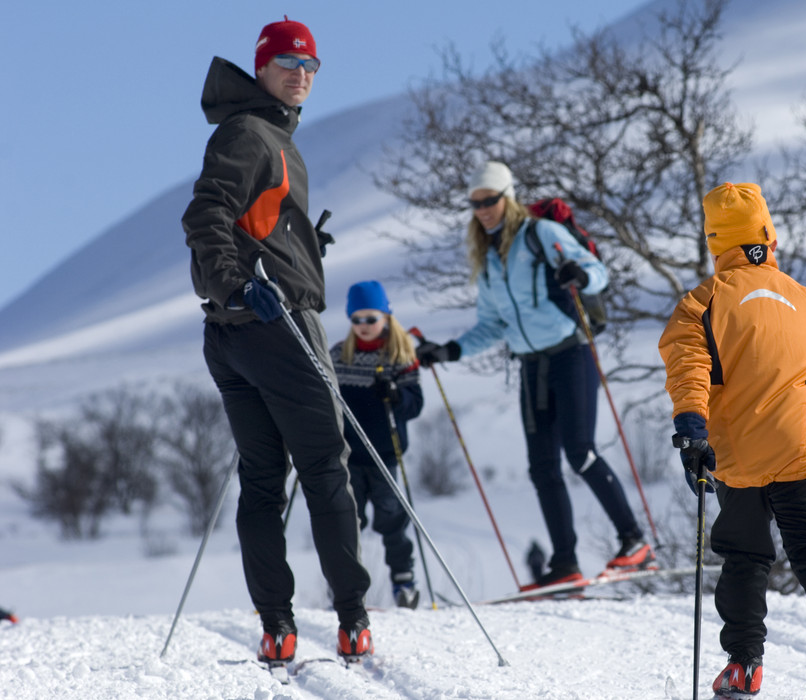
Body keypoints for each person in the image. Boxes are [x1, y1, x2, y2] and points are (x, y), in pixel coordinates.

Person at [181, 17, 373, 664]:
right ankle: (353, 619)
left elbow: (248, 220)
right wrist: (237, 285)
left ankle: (277, 627)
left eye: (310, 65)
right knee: (325, 468)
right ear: (260, 66)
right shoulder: (251, 133)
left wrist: (301, 245)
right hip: (275, 327)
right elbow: (206, 213)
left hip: (231, 334)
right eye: (288, 62)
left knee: (263, 479)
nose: (300, 74)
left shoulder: (267, 133)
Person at [658, 183, 806, 699]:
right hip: (802, 446)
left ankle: (743, 665)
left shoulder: (701, 303)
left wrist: (692, 431)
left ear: (715, 242)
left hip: (738, 454)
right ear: (768, 237)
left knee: (745, 554)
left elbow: (688, 370)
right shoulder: (801, 296)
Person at [414, 160, 654, 588]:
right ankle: (565, 565)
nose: (483, 210)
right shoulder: (490, 258)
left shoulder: (540, 234)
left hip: (571, 354)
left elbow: (598, 272)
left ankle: (635, 543)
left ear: (508, 197)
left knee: (579, 452)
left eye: (490, 200)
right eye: (475, 204)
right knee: (542, 468)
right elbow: (493, 325)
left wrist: (580, 274)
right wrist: (450, 350)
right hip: (530, 366)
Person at [330, 281, 425, 609]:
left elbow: (415, 405)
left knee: (392, 520)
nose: (364, 326)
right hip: (348, 456)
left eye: (371, 318)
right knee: (348, 522)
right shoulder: (339, 356)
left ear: (386, 316)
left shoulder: (401, 356)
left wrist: (396, 395)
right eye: (356, 319)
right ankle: (346, 587)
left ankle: (403, 581)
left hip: (385, 456)